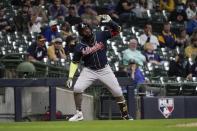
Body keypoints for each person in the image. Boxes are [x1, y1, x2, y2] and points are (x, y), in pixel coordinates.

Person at [66, 15, 132, 121]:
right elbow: (74, 62)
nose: (86, 30)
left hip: (104, 69)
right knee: (77, 88)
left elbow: (118, 30)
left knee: (118, 92)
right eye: (84, 30)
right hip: (89, 70)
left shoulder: (100, 35)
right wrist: (70, 77)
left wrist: (111, 22)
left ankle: (125, 115)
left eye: (87, 28)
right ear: (81, 33)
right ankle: (79, 114)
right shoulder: (79, 46)